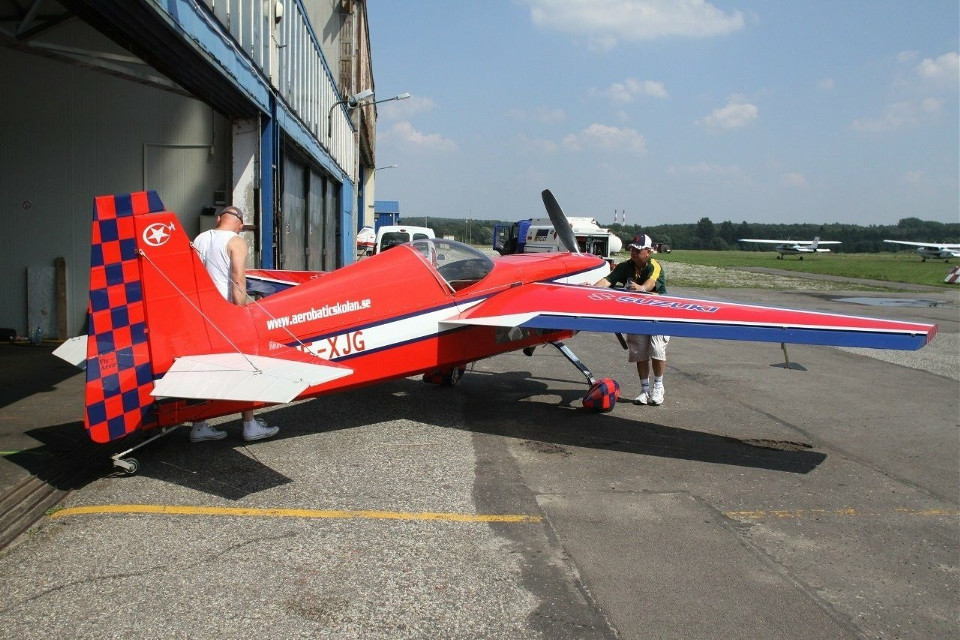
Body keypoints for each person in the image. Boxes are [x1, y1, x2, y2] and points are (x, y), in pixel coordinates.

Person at [189, 205, 280, 443]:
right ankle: (250, 425)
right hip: (224, 313)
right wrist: (242, 312)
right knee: (246, 365)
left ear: (219, 219)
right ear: (240, 225)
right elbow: (238, 278)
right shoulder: (236, 241)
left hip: (201, 312)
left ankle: (199, 425)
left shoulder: (200, 239)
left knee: (203, 368)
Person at [593, 234, 669, 406]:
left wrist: (641, 288)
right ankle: (644, 390)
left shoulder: (654, 266)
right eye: (632, 249)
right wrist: (590, 289)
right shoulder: (625, 266)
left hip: (659, 314)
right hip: (637, 314)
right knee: (639, 352)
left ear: (648, 252)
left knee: (657, 349)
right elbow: (607, 281)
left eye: (638, 250)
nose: (633, 252)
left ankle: (658, 386)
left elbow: (651, 283)